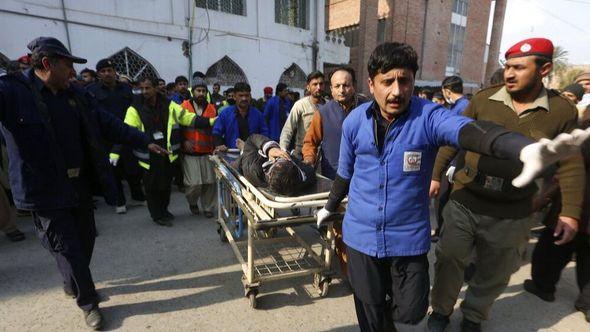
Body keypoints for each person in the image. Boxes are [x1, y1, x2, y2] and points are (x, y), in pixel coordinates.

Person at [314, 41, 578, 332]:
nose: (397, 91)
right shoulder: (354, 122)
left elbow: (467, 131)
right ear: (371, 84)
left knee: (412, 312)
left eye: (405, 81)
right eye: (387, 81)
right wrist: (328, 207)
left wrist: (522, 148)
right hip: (361, 234)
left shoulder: (428, 116)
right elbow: (344, 173)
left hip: (407, 237)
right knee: (371, 310)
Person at [0, 37, 169, 329]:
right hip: (43, 189)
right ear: (46, 65)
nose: (73, 72)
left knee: (86, 239)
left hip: (79, 186)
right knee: (67, 248)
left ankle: (71, 280)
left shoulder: (77, 94)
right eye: (67, 66)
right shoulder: (12, 92)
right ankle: (89, 302)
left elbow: (108, 123)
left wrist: (144, 140)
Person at [427, 38, 585, 332]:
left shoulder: (561, 111)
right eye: (508, 66)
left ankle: (473, 316)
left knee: (494, 272)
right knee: (449, 258)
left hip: (514, 210)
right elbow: (453, 138)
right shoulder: (484, 100)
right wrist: (436, 176)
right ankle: (441, 311)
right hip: (467, 198)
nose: (510, 74)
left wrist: (570, 212)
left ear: (544, 69)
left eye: (519, 68)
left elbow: (571, 162)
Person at [111, 77, 215, 227]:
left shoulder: (169, 104)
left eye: (148, 88)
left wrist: (211, 121)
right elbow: (126, 131)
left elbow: (187, 118)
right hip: (148, 156)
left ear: (155, 88)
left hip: (167, 154)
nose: (145, 91)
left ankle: (164, 210)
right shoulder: (135, 108)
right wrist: (115, 151)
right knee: (152, 187)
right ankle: (157, 215)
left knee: (165, 185)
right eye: (142, 89)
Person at [523, 122, 590, 322]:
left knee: (551, 250)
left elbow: (567, 165)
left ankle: (543, 286)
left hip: (573, 207)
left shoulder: (582, 134)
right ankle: (587, 302)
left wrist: (542, 198)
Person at [87, 58, 144, 214]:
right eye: (103, 71)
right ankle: (120, 201)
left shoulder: (126, 89)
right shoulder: (91, 91)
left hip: (127, 134)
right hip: (107, 139)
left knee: (132, 167)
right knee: (114, 169)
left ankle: (138, 196)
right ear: (98, 74)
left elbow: (137, 107)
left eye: (110, 70)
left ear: (115, 72)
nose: (107, 74)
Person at [302, 66, 365, 179]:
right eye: (337, 86)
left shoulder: (367, 109)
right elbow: (310, 143)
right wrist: (309, 160)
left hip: (363, 176)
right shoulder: (322, 113)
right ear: (331, 89)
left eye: (346, 85)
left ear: (354, 86)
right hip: (333, 177)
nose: (341, 90)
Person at [180, 78, 218, 218]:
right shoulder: (184, 106)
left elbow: (216, 129)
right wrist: (183, 141)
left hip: (208, 152)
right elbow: (177, 127)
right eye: (198, 90)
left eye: (203, 91)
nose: (201, 93)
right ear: (193, 92)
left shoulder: (212, 108)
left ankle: (208, 208)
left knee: (209, 183)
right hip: (190, 152)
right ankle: (192, 202)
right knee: (193, 184)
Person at [234, 134, 315, 196]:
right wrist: (271, 149)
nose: (282, 155)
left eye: (280, 159)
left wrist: (269, 148)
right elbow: (308, 170)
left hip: (246, 162)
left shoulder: (253, 170)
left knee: (247, 151)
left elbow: (251, 140)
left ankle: (242, 148)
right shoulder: (301, 177)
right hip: (261, 159)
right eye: (285, 158)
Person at [279, 71, 325, 158]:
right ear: (308, 87)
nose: (318, 87)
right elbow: (288, 129)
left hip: (323, 155)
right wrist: (282, 151)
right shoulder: (300, 105)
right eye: (315, 84)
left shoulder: (329, 106)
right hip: (302, 153)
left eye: (321, 84)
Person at [213, 82, 268, 151]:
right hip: (231, 155)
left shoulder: (258, 115)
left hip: (253, 155)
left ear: (250, 96)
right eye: (241, 95)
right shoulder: (225, 114)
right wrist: (219, 144)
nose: (244, 98)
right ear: (235, 97)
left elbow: (264, 134)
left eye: (247, 95)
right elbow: (217, 131)